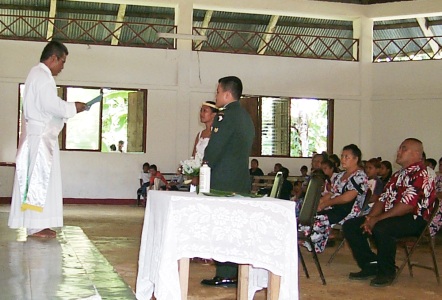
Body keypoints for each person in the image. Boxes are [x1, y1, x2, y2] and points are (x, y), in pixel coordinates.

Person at [8, 41, 87, 238]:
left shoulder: (36, 74)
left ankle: (40, 223)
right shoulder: (42, 76)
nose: (62, 67)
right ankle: (35, 226)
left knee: (43, 180)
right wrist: (73, 107)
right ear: (53, 58)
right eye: (62, 61)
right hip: (40, 137)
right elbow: (51, 105)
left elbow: (45, 108)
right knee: (38, 180)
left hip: (40, 135)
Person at [343, 138, 436, 287]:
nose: (398, 152)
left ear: (417, 153)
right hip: (391, 216)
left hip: (414, 219)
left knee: (382, 228)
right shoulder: (398, 175)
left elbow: (407, 206)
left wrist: (377, 219)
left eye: (403, 149)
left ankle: (387, 272)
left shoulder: (423, 173)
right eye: (399, 148)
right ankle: (371, 265)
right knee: (351, 226)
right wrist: (370, 218)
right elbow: (382, 199)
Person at [200, 76, 254, 287]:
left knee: (222, 226)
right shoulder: (245, 116)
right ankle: (232, 271)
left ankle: (225, 273)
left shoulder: (226, 116)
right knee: (233, 226)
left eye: (217, 91)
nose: (216, 95)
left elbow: (215, 148)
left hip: (223, 181)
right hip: (239, 180)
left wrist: (204, 166)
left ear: (226, 94)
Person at [301, 144, 368, 253]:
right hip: (334, 207)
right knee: (307, 214)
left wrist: (325, 204)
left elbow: (347, 198)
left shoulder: (359, 176)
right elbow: (331, 193)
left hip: (348, 210)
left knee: (318, 219)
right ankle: (306, 240)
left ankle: (313, 242)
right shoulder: (339, 176)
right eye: (342, 156)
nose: (343, 160)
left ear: (356, 159)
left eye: (347, 157)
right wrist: (318, 203)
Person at [190, 101, 218, 191]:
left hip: (210, 175)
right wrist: (193, 173)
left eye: (205, 111)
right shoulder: (200, 134)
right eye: (201, 110)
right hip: (197, 175)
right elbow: (194, 156)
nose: (201, 114)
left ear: (213, 114)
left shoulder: (217, 133)